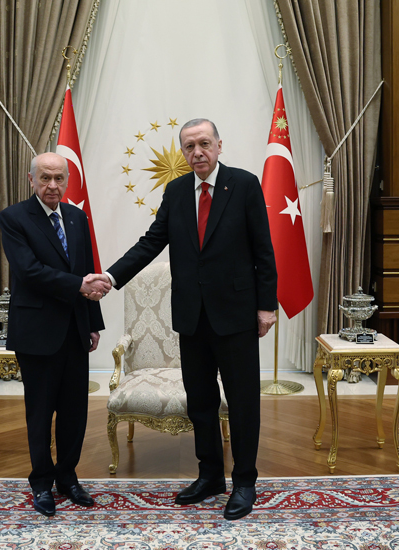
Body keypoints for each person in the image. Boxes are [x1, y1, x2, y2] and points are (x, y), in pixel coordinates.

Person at [99, 118, 277, 520]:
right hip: (192, 317)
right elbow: (151, 242)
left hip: (235, 315)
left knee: (243, 403)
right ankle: (210, 475)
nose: (197, 152)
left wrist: (266, 307)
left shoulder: (244, 184)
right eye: (189, 146)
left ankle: (244, 482)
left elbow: (263, 250)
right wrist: (111, 277)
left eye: (204, 144)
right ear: (183, 152)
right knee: (201, 402)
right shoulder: (177, 191)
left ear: (218, 145)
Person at [0, 152, 110, 517]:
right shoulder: (14, 217)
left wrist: (92, 322)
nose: (52, 185)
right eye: (45, 178)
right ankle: (42, 482)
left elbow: (87, 270)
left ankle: (68, 477)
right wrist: (79, 285)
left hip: (75, 330)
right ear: (32, 180)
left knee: (75, 411)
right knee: (40, 412)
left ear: (67, 181)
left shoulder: (77, 218)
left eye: (59, 178)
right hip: (37, 332)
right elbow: (28, 271)